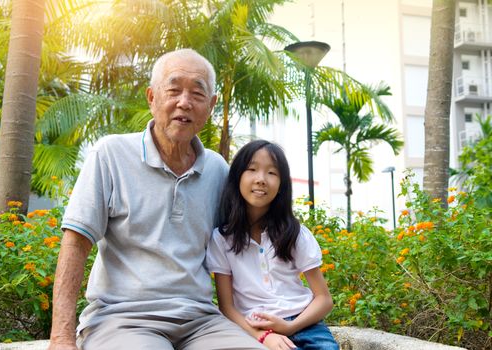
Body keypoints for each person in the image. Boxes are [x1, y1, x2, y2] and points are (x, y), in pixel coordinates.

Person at [48, 49, 267, 350]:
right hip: (122, 319)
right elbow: (76, 243)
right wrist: (61, 338)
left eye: (197, 93)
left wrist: (277, 321)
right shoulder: (110, 154)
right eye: (173, 90)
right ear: (152, 98)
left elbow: (242, 247)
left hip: (201, 321)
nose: (184, 102)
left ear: (211, 105)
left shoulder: (217, 169)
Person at [206, 140, 339, 350]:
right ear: (237, 177)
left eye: (272, 173)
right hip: (252, 327)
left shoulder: (294, 233)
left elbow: (324, 299)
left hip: (303, 323)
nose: (261, 179)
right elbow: (227, 307)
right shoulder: (222, 239)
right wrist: (263, 336)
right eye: (251, 169)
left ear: (281, 186)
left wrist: (289, 327)